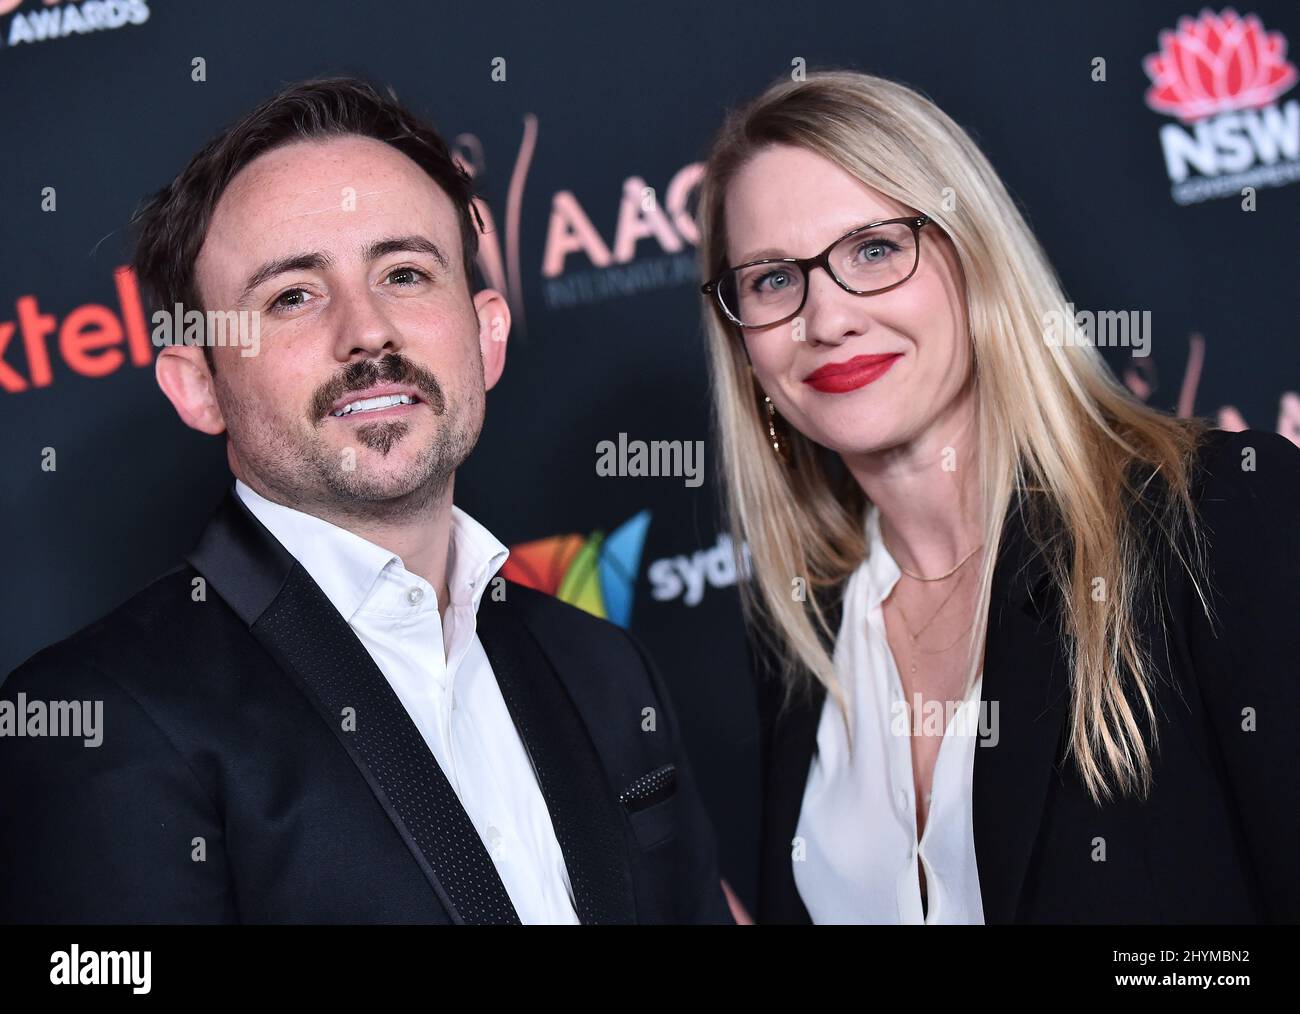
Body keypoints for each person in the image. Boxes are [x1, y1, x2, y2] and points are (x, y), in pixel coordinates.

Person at [0, 78, 732, 925]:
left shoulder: (602, 667)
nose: (368, 330)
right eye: (292, 296)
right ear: (197, 385)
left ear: (486, 334)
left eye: (406, 273)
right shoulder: (98, 724)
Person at [695, 70, 1300, 924]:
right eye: (771, 280)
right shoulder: (804, 634)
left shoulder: (1216, 521)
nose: (825, 318)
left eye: (874, 248)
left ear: (976, 259)